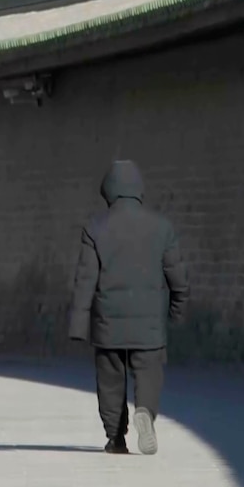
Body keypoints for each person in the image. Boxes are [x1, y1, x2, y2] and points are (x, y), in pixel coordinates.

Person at [67, 159, 189, 456]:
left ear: (108, 190)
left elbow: (85, 279)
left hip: (108, 319)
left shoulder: (95, 228)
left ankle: (115, 437)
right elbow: (177, 276)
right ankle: (145, 411)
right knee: (149, 370)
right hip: (149, 320)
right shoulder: (162, 227)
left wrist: (78, 324)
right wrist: (178, 309)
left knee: (110, 378)